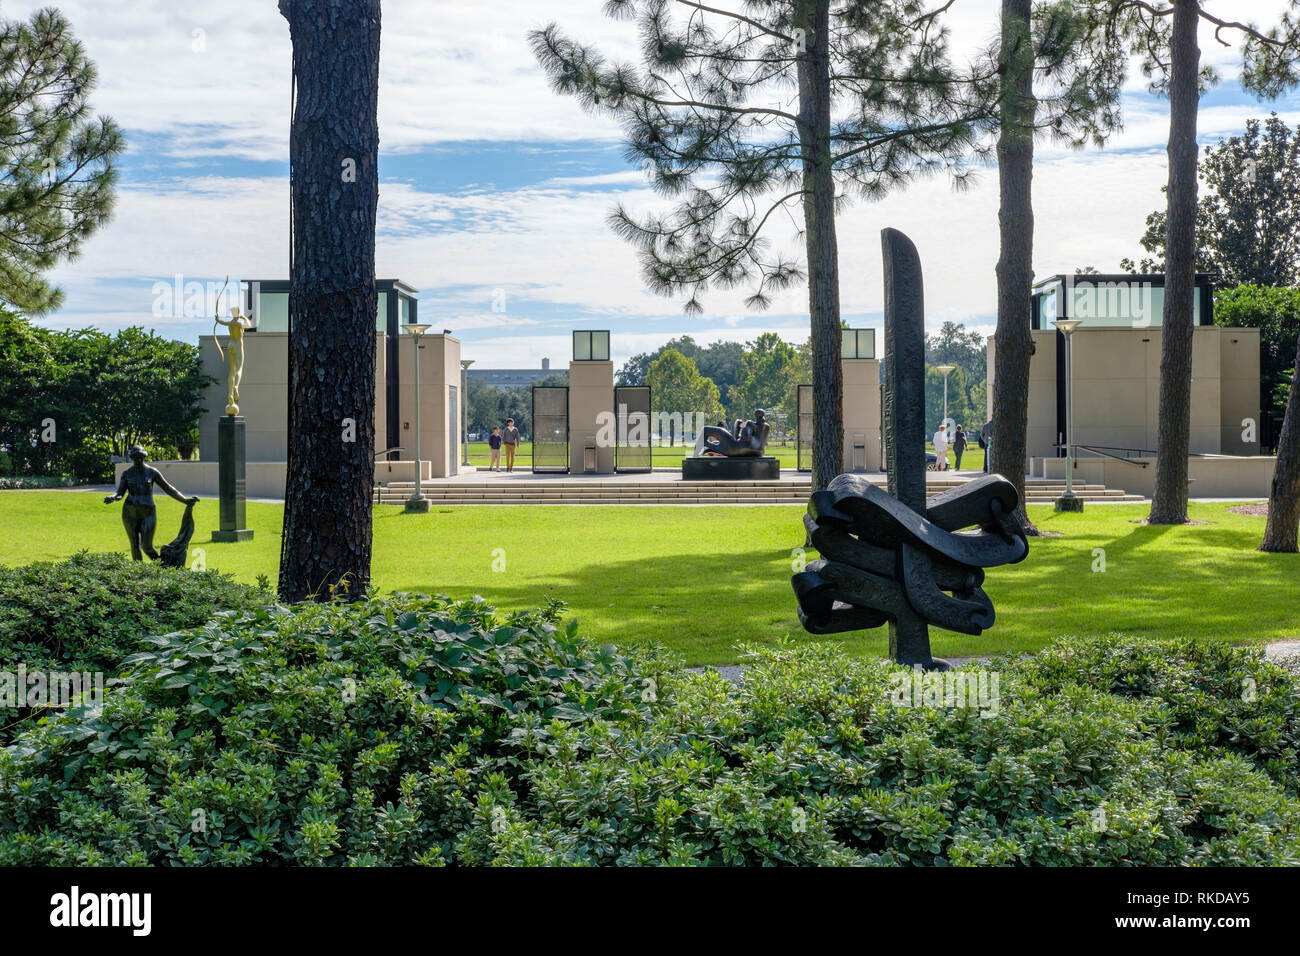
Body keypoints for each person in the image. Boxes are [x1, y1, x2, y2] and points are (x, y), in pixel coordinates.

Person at [103, 445, 200, 561]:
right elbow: (120, 492)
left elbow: (168, 488)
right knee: (134, 546)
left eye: (140, 457)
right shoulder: (127, 473)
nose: (138, 460)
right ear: (132, 458)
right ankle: (137, 574)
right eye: (135, 458)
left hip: (148, 512)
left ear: (144, 457)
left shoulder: (152, 472)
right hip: (130, 513)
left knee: (147, 546)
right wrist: (113, 497)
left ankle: (162, 567)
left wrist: (185, 500)